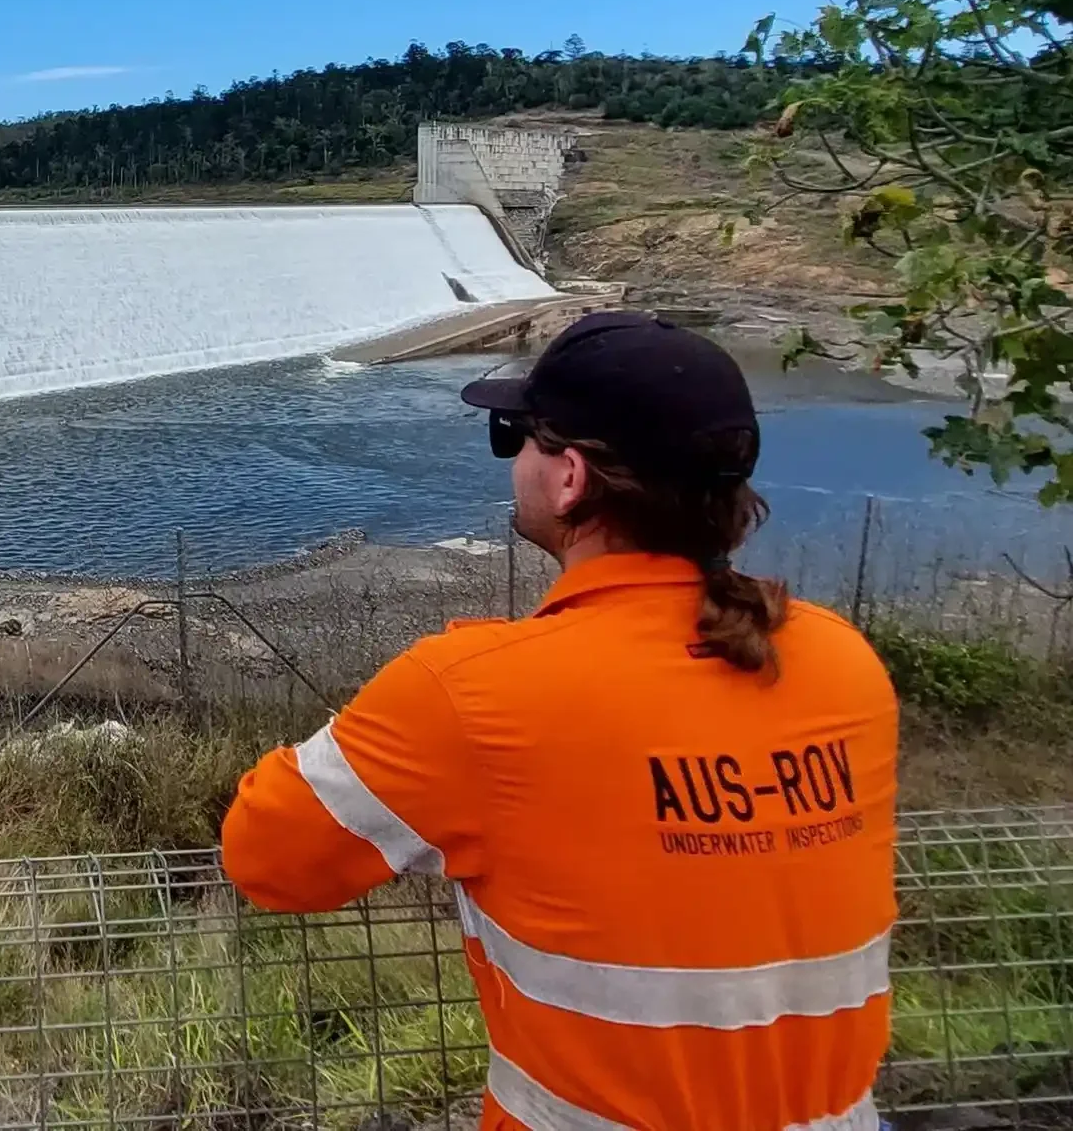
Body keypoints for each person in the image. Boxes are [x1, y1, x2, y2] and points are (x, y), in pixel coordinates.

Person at [220, 311, 898, 1131]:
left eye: (518, 438)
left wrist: (412, 724)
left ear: (569, 478)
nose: (513, 462)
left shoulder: (471, 696)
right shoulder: (844, 661)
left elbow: (266, 857)